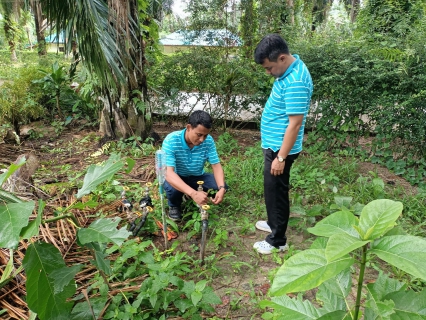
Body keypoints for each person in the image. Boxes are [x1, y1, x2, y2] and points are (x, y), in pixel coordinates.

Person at [253, 34, 313, 254]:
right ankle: (274, 222)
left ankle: (277, 241)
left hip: (281, 148)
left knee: (276, 191)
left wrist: (280, 157)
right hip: (275, 144)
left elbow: (295, 124)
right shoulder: (289, 69)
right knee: (272, 189)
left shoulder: (295, 81)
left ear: (282, 58)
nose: (268, 73)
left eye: (269, 68)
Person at [162, 110, 227, 221]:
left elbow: (216, 166)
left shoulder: (209, 141)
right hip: (177, 176)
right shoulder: (171, 140)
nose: (202, 139)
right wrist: (193, 193)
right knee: (173, 189)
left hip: (197, 177)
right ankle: (175, 205)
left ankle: (190, 192)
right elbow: (169, 173)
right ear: (188, 127)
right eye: (199, 135)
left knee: (221, 185)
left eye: (205, 136)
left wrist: (222, 188)